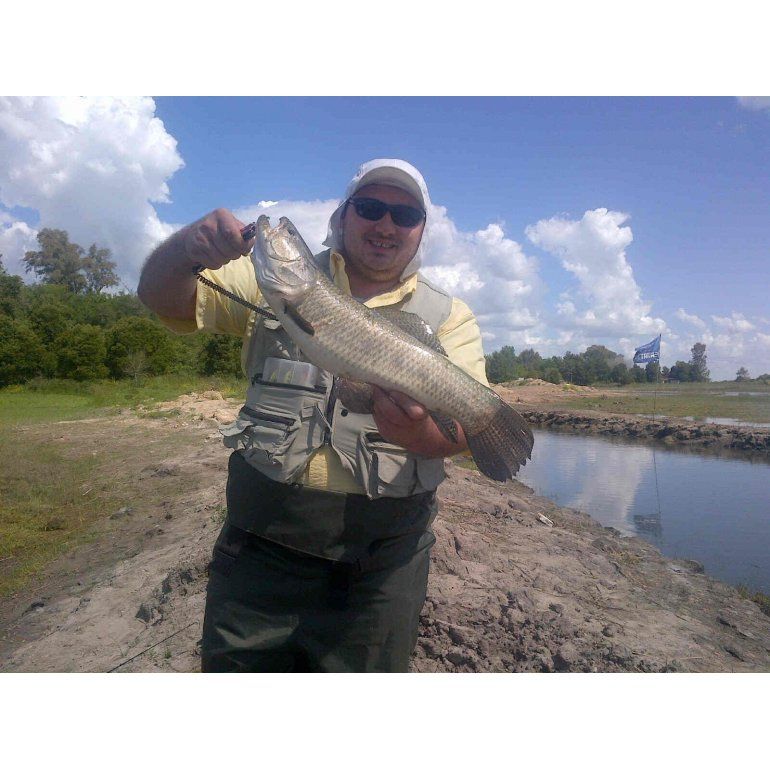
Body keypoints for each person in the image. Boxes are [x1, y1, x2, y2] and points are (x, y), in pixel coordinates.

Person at [138, 158, 490, 672]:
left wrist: (421, 433)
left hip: (383, 563)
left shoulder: (450, 316)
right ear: (343, 215)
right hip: (260, 545)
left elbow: (467, 428)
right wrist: (184, 249)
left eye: (405, 215)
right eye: (370, 207)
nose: (386, 224)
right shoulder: (272, 281)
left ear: (421, 230)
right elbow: (160, 297)